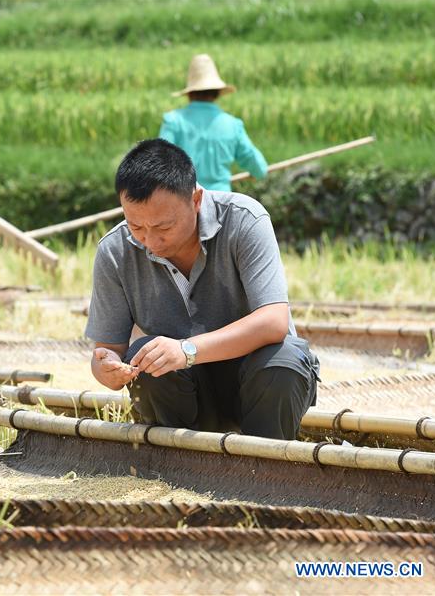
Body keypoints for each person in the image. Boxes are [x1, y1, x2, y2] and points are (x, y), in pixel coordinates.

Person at [86, 139, 318, 440]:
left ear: (196, 200)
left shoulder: (245, 220)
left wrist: (187, 350)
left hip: (261, 385)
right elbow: (108, 351)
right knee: (146, 356)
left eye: (164, 227)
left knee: (284, 359)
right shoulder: (114, 252)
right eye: (136, 227)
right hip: (186, 395)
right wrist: (105, 369)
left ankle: (266, 473)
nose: (151, 242)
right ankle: (180, 471)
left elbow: (273, 321)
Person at [159, 54, 267, 192]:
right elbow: (259, 167)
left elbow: (160, 166)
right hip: (220, 205)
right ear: (217, 92)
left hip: (184, 203)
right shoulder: (233, 125)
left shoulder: (173, 121)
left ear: (190, 93)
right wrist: (256, 173)